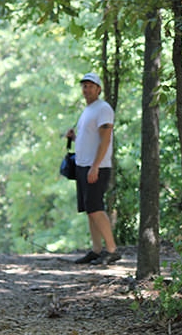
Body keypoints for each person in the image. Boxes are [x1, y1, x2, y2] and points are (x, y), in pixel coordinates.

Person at [66, 72, 121, 266]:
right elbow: (89, 138)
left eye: (90, 86)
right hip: (83, 165)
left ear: (98, 88)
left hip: (96, 167)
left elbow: (105, 139)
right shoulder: (89, 109)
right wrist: (74, 138)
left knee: (96, 208)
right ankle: (96, 250)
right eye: (84, 86)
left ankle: (112, 250)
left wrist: (96, 166)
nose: (86, 89)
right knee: (90, 210)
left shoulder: (103, 109)